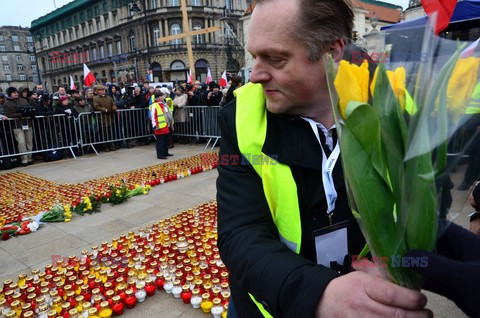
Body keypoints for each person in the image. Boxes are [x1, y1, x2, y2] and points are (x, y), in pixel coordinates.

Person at [216, 1, 431, 317]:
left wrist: (401, 270)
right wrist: (318, 294)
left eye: (275, 59)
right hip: (268, 306)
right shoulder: (243, 116)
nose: (255, 76)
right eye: (254, 57)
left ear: (332, 52)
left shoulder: (396, 104)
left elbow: (425, 205)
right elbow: (240, 233)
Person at [3, 87, 34, 166]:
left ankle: (30, 158)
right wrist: (21, 114)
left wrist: (29, 113)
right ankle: (24, 159)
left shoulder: (23, 100)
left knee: (29, 142)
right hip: (17, 125)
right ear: (10, 94)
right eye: (14, 93)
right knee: (21, 143)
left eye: (16, 92)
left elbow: (28, 109)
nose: (16, 94)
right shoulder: (7, 103)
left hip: (27, 123)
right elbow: (8, 115)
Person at [150, 91, 173, 159]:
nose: (163, 97)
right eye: (162, 96)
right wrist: (155, 125)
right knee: (160, 142)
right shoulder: (155, 105)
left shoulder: (163, 104)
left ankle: (165, 152)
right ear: (157, 97)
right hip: (159, 126)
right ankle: (160, 154)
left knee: (166, 140)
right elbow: (153, 116)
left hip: (165, 125)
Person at [93, 85, 117, 152]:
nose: (104, 91)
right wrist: (105, 110)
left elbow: (113, 104)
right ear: (98, 91)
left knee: (110, 132)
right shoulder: (96, 98)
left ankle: (110, 145)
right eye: (102, 90)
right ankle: (105, 146)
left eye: (104, 90)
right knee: (104, 133)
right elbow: (96, 106)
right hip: (102, 118)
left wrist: (114, 108)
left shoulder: (108, 97)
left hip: (109, 117)